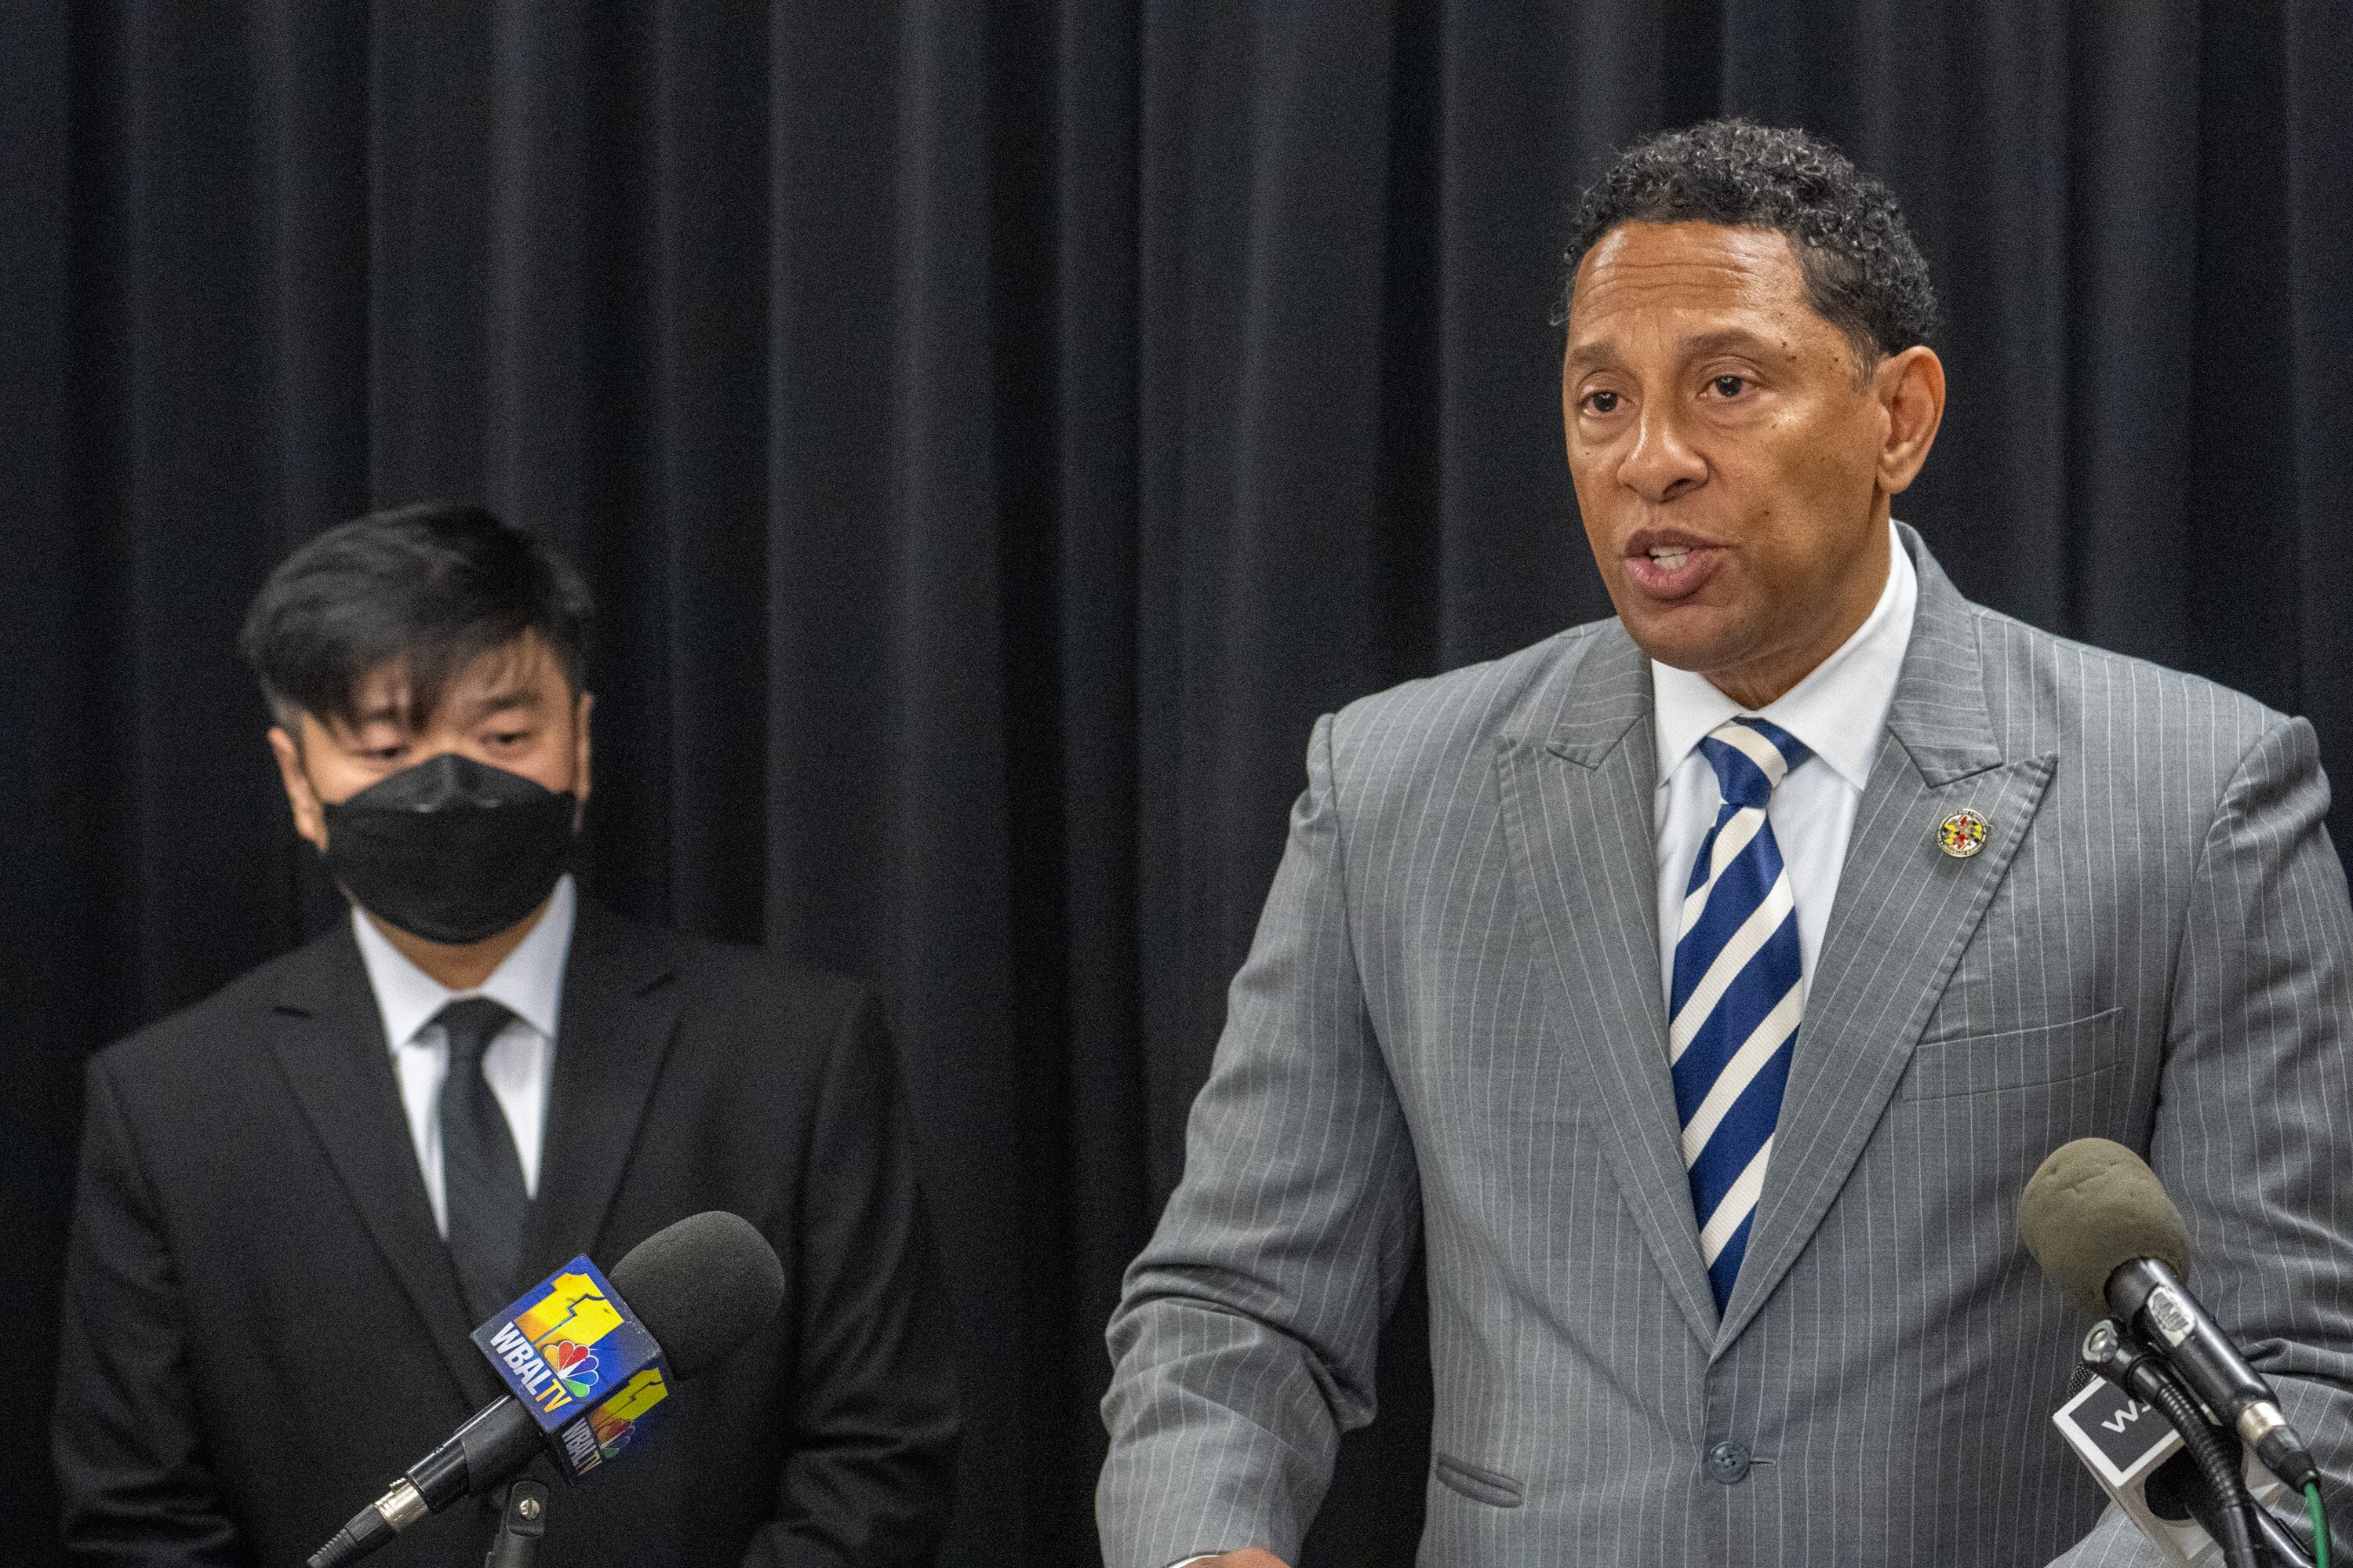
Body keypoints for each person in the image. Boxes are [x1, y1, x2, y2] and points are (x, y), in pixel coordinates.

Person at [1097, 120, 2353, 1566]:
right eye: (1601, 401)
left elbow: (2284, 1382)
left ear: (1900, 418)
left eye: (1728, 388)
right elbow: (1232, 1310)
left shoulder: (2194, 794)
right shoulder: (1393, 789)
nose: (1652, 461)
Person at [54, 504, 959, 1566]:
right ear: (299, 780)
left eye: (503, 736)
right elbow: (137, 1511)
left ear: (579, 736)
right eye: (387, 745)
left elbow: (880, 1455)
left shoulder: (795, 1051)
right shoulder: (169, 1101)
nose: (449, 787)